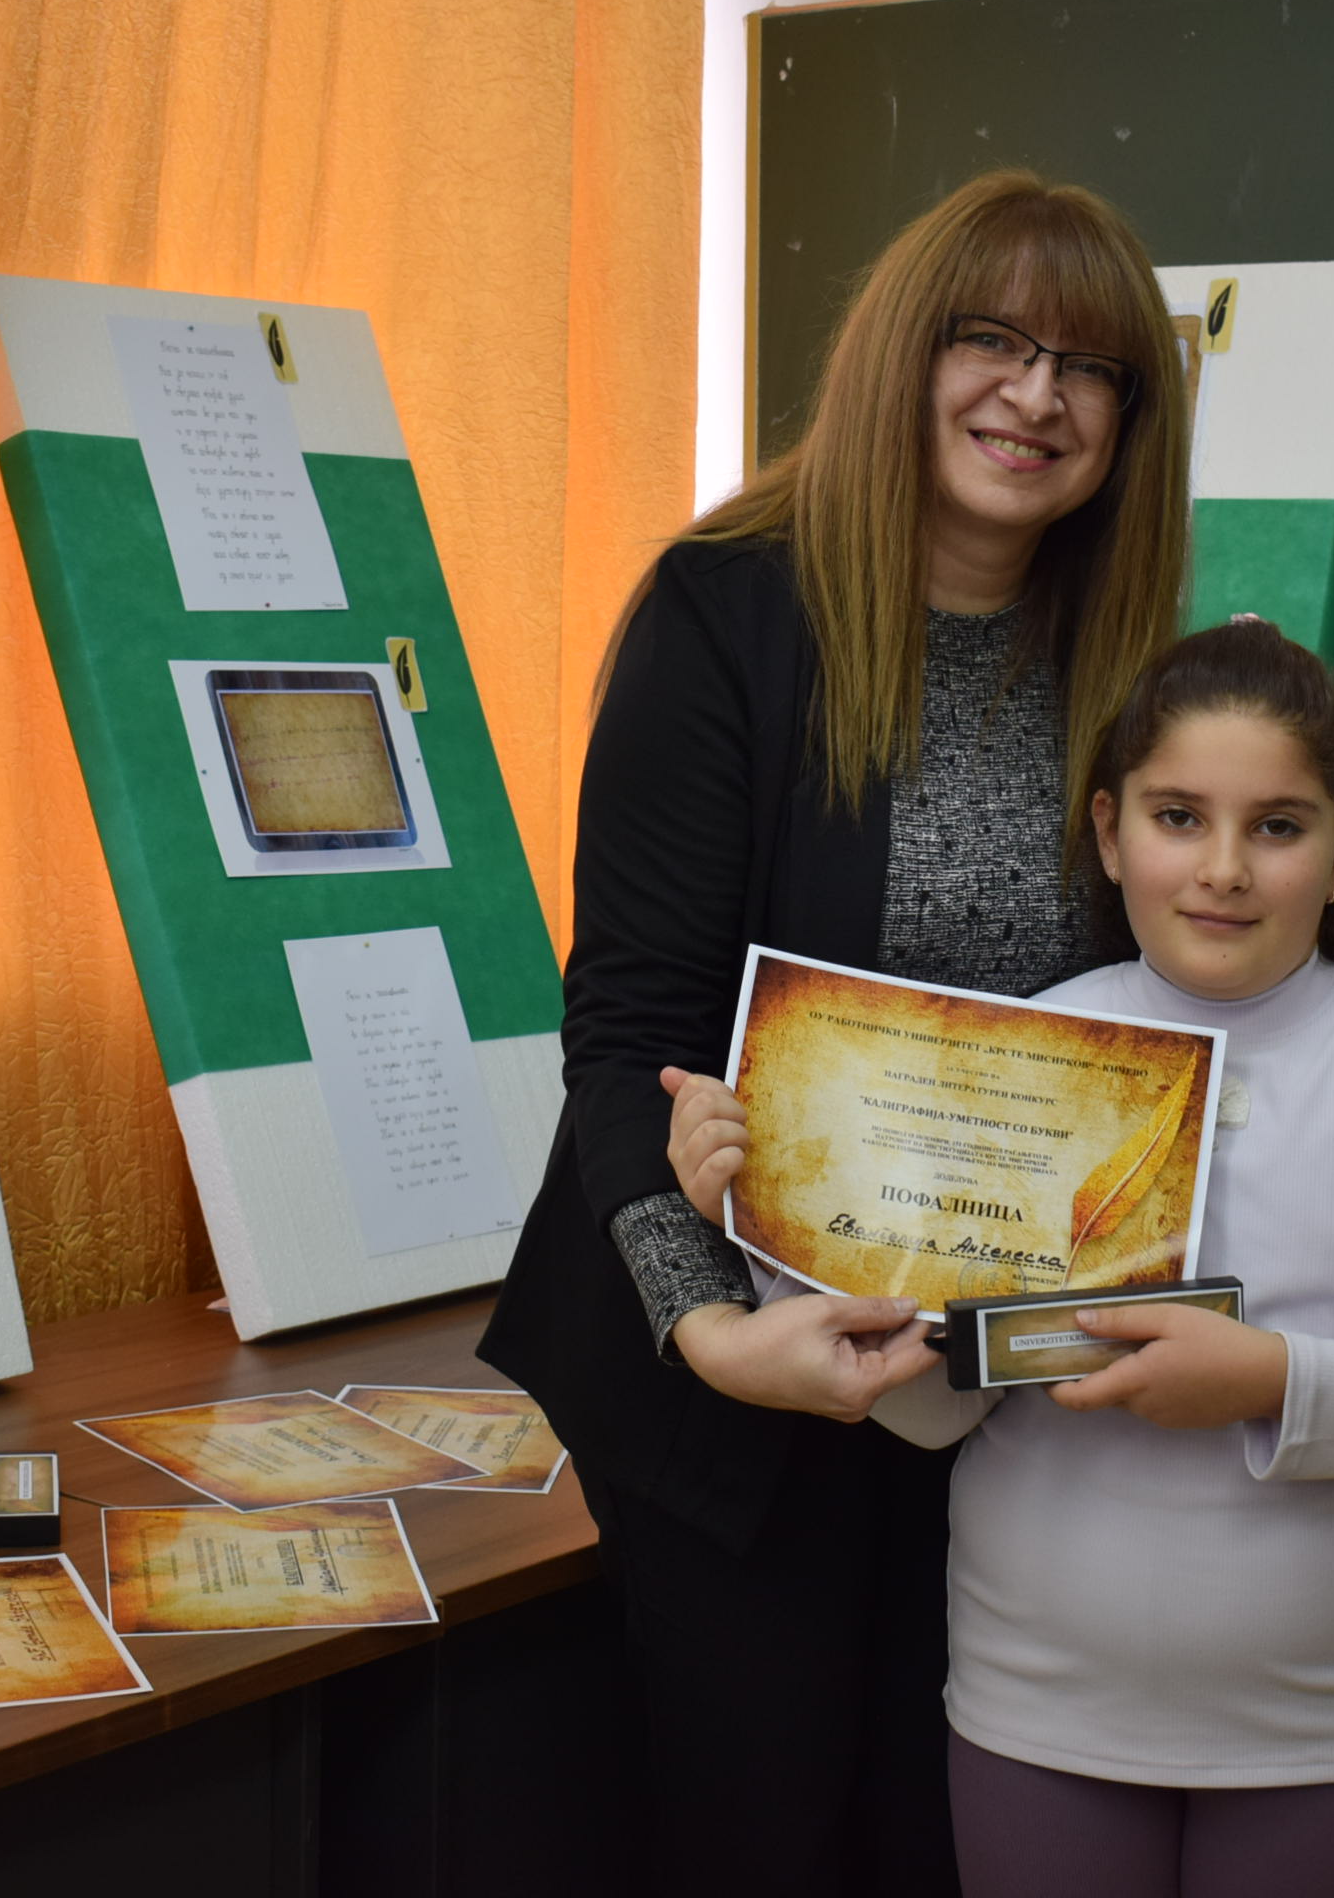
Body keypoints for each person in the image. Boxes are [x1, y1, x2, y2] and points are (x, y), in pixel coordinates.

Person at [479, 170, 1192, 1897]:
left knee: (939, 1843)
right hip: (743, 1381)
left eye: (1089, 367)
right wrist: (708, 1331)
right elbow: (625, 1037)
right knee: (766, 1835)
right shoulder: (726, 613)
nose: (1036, 395)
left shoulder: (1124, 660)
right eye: (992, 340)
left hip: (994, 1390)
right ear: (904, 352)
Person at [685, 620, 1334, 1898]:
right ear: (1110, 834)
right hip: (1035, 1706)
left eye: (1278, 826)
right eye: (1178, 817)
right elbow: (943, 1406)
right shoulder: (1024, 1052)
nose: (1223, 868)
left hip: (1330, 1721)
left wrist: (1270, 1377)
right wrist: (776, 1226)